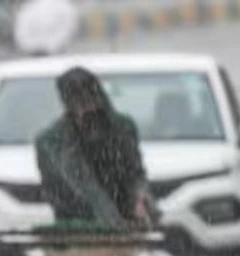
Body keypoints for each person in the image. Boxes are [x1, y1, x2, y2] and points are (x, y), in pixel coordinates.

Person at [35, 67, 155, 230]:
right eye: (80, 104)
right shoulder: (51, 141)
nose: (89, 111)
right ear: (69, 106)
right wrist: (108, 220)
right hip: (77, 230)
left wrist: (140, 197)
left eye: (92, 102)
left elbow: (135, 173)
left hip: (129, 227)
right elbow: (60, 192)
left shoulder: (122, 129)